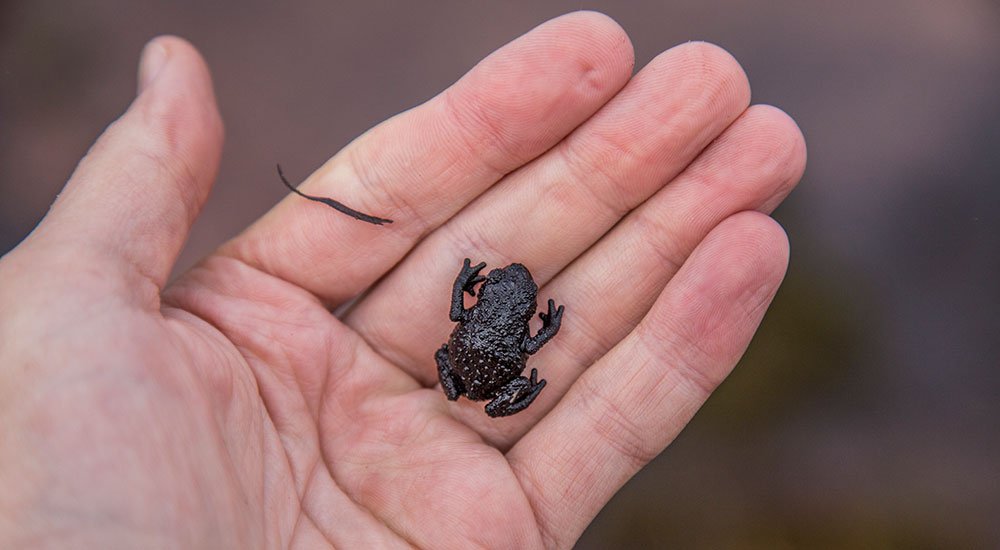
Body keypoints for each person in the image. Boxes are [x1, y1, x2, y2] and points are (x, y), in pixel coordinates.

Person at [0, 11, 805, 549]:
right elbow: (540, 335)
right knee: (508, 368)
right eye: (499, 292)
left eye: (500, 291)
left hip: (473, 368)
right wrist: (535, 326)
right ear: (500, 301)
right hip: (482, 368)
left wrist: (491, 305)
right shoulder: (516, 321)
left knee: (487, 368)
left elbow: (494, 323)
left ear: (497, 299)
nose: (502, 293)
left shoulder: (487, 315)